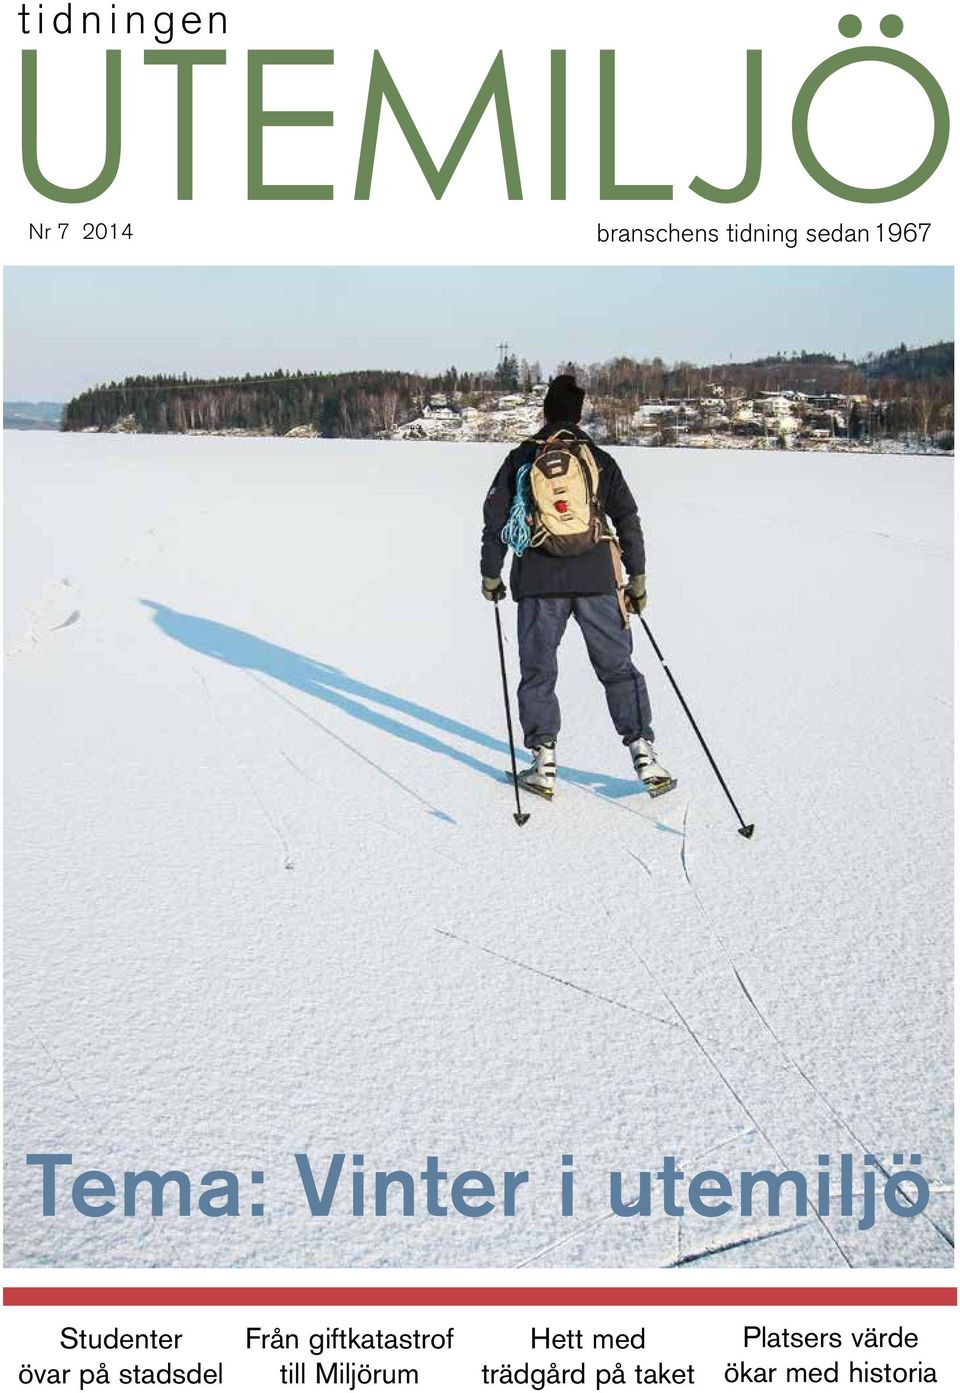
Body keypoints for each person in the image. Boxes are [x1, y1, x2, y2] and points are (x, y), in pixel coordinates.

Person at [480, 374, 674, 800]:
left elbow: (494, 519)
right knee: (618, 669)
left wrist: (490, 574)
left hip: (537, 581)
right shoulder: (599, 458)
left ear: (545, 411)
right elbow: (628, 519)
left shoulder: (522, 457)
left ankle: (543, 762)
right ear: (579, 413)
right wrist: (636, 578)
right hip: (598, 581)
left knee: (538, 671)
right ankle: (644, 752)